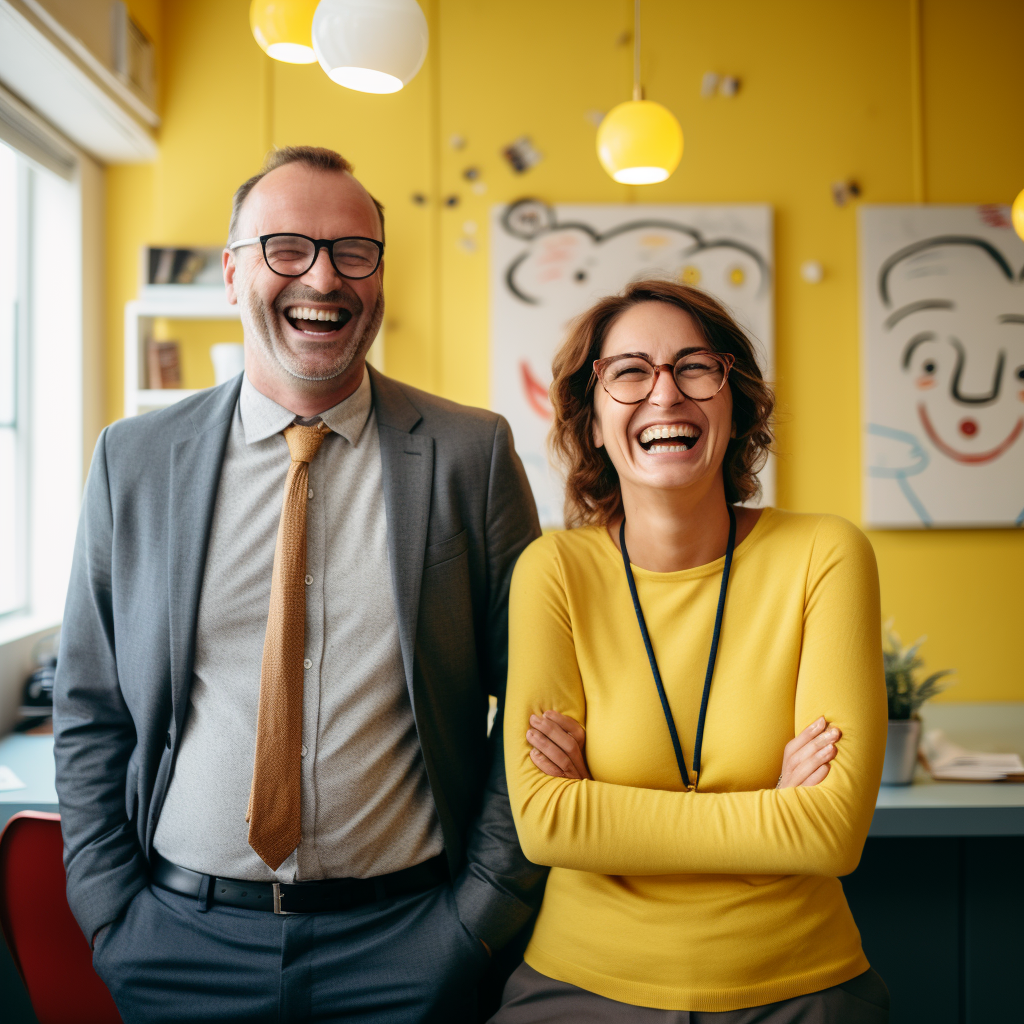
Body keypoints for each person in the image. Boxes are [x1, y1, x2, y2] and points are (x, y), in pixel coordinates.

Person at [53, 146, 545, 1024]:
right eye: (287, 247)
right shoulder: (134, 462)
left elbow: (538, 700)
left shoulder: (473, 455)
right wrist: (111, 914)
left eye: (354, 250)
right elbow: (91, 708)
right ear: (234, 270)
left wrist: (478, 915)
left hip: (410, 944)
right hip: (177, 943)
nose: (324, 275)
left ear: (380, 274)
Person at [494, 279, 889, 1022]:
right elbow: (547, 822)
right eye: (630, 372)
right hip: (579, 989)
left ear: (735, 402)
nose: (665, 395)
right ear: (593, 418)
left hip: (800, 987)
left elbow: (831, 834)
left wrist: (605, 810)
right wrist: (771, 811)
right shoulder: (553, 571)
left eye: (695, 368)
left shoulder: (824, 554)